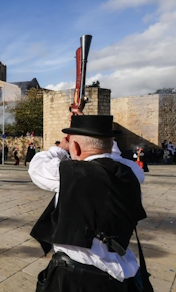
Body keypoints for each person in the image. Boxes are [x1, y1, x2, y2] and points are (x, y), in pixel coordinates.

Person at [28, 115, 150, 292]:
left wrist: (60, 148)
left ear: (75, 148)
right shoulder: (133, 172)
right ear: (110, 144)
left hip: (77, 278)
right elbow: (111, 157)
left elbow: (37, 166)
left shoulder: (73, 174)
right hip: (124, 273)